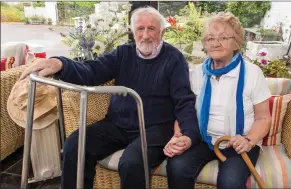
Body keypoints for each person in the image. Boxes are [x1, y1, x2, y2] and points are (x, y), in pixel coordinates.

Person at [20, 6, 200, 189]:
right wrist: (60, 63)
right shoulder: (123, 53)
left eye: (151, 29)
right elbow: (92, 71)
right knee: (75, 145)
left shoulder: (174, 59)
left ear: (161, 32)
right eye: (140, 28)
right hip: (118, 124)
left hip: (155, 128)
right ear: (133, 31)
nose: (145, 35)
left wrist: (189, 134)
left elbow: (183, 100)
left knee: (131, 162)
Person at [164, 12, 272, 189]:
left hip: (239, 143)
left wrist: (249, 140)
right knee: (177, 167)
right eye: (210, 38)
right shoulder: (197, 73)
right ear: (205, 44)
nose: (215, 43)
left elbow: (264, 118)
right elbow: (184, 111)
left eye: (223, 37)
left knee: (230, 182)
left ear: (236, 42)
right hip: (203, 140)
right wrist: (179, 136)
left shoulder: (253, 73)